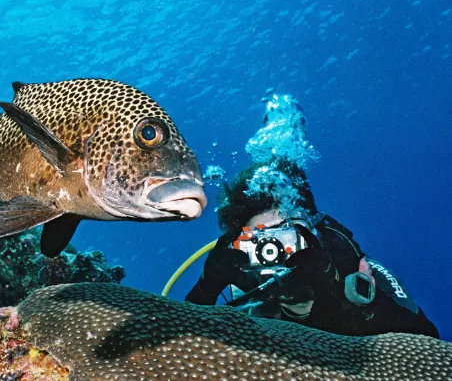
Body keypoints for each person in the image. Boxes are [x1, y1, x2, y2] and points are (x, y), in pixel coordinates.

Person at [185, 94, 439, 338]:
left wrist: (333, 288)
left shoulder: (345, 259)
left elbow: (429, 342)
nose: (278, 252)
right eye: (262, 240)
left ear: (311, 226)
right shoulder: (243, 276)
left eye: (288, 235)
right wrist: (206, 290)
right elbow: (183, 345)